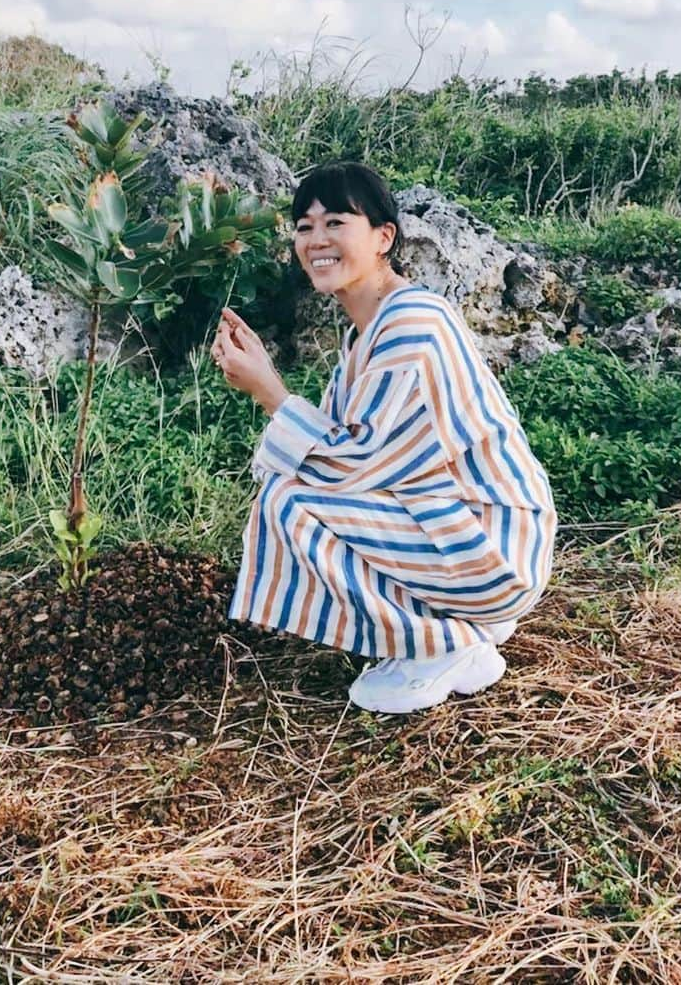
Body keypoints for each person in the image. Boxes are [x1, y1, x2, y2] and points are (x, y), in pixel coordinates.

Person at [210, 160, 557, 714]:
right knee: (292, 486)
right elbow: (337, 447)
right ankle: (461, 622)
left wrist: (270, 391)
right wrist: (268, 387)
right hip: (470, 535)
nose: (316, 240)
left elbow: (351, 467)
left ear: (383, 237)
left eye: (336, 223)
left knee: (288, 501)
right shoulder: (368, 333)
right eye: (304, 226)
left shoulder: (410, 324)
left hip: (493, 548)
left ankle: (443, 643)